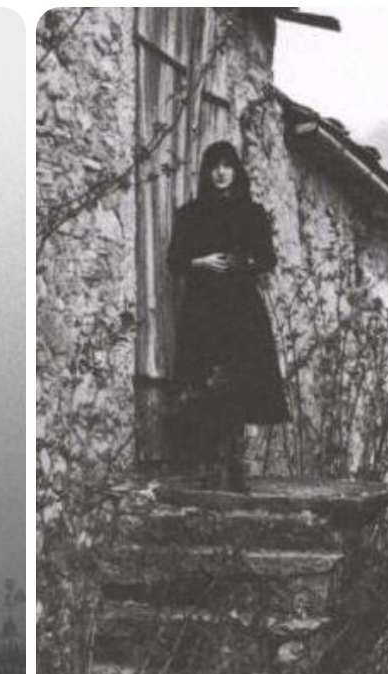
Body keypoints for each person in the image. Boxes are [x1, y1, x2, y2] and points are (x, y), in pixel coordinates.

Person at [167, 140, 289, 492]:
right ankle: (208, 467)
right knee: (204, 381)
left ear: (236, 171)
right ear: (207, 172)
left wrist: (243, 262)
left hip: (240, 310)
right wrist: (201, 261)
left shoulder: (252, 213)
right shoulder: (190, 215)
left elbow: (267, 259)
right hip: (203, 309)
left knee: (239, 383)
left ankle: (236, 468)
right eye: (214, 167)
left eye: (227, 166)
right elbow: (174, 261)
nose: (221, 173)